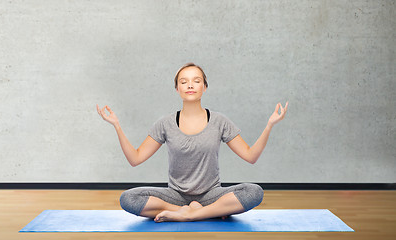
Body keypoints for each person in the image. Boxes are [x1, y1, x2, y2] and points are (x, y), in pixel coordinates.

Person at [97, 63, 288, 223]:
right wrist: (117, 126)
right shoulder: (165, 124)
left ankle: (191, 215)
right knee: (128, 198)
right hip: (176, 196)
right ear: (177, 88)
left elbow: (250, 156)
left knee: (253, 192)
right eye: (184, 81)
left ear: (204, 87)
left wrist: (270, 125)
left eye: (196, 81)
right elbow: (135, 158)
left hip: (212, 195)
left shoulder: (219, 121)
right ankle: (196, 211)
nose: (190, 85)